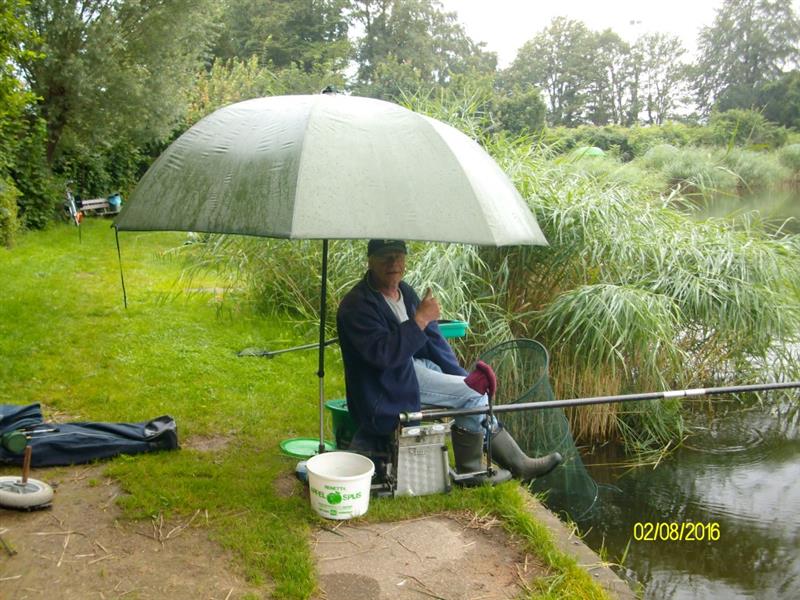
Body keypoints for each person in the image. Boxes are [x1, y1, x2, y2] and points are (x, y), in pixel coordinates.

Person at [336, 239, 562, 483]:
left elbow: (435, 341)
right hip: (383, 386)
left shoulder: (406, 292)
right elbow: (384, 356)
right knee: (474, 395)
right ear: (370, 262)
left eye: (398, 256)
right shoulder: (357, 306)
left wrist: (462, 377)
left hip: (410, 371)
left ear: (405, 260)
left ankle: (517, 463)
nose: (393, 263)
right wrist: (420, 320)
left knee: (472, 389)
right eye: (385, 257)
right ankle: (472, 473)